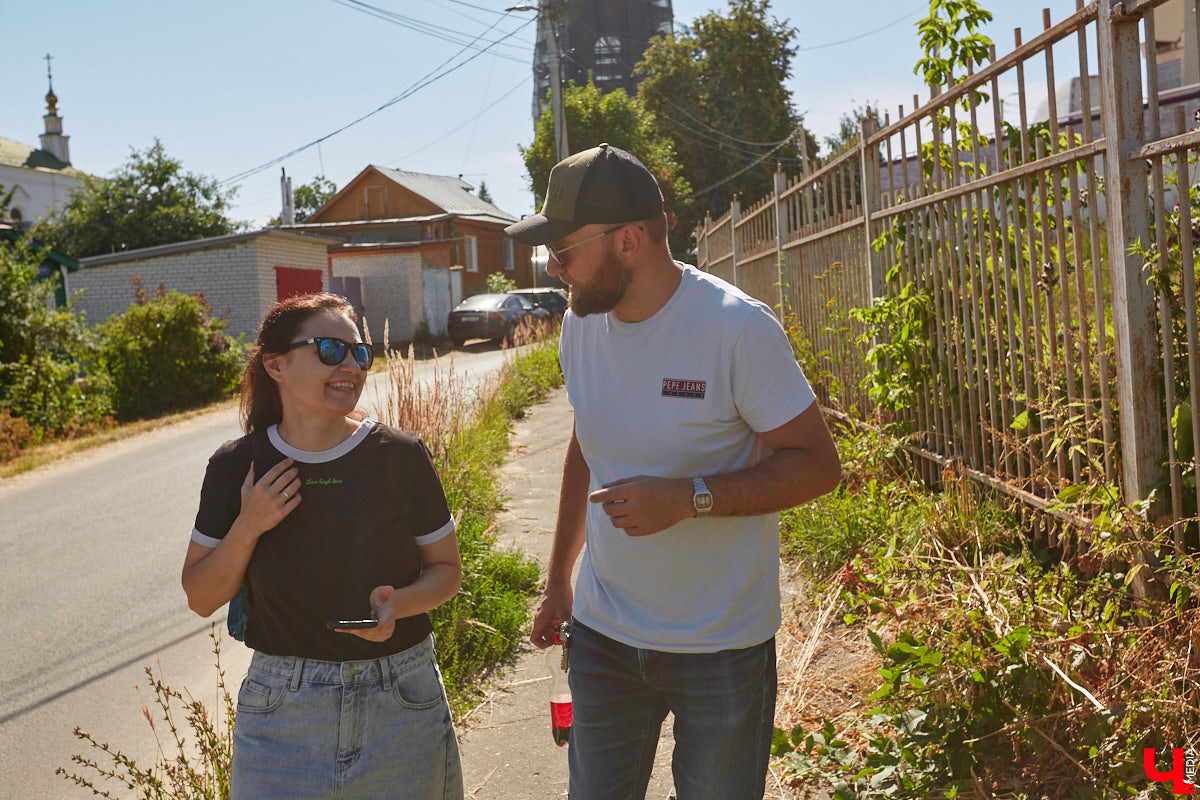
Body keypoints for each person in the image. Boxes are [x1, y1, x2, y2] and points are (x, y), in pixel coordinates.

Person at [505, 144, 842, 800]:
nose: (554, 268)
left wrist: (692, 497)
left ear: (628, 241)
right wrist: (557, 582)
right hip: (605, 638)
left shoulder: (735, 329)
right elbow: (586, 441)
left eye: (564, 252)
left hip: (722, 647)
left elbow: (819, 466)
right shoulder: (581, 326)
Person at [181, 292, 464, 799]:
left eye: (359, 353)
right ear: (276, 365)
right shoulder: (236, 465)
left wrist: (396, 604)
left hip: (400, 700)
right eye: (331, 350)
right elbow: (201, 596)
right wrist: (249, 525)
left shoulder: (399, 456)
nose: (350, 366)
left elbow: (446, 571)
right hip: (281, 715)